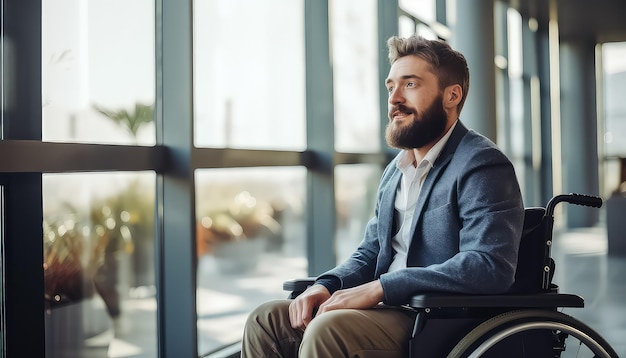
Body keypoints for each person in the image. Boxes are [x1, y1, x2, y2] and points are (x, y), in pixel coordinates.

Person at [241, 34, 524, 357]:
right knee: (266, 320)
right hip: (387, 309)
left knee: (326, 330)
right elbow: (372, 251)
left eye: (411, 84)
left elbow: (488, 266)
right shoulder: (396, 170)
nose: (394, 98)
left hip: (436, 319)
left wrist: (382, 287)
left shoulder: (481, 163)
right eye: (391, 86)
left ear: (451, 95)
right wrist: (326, 285)